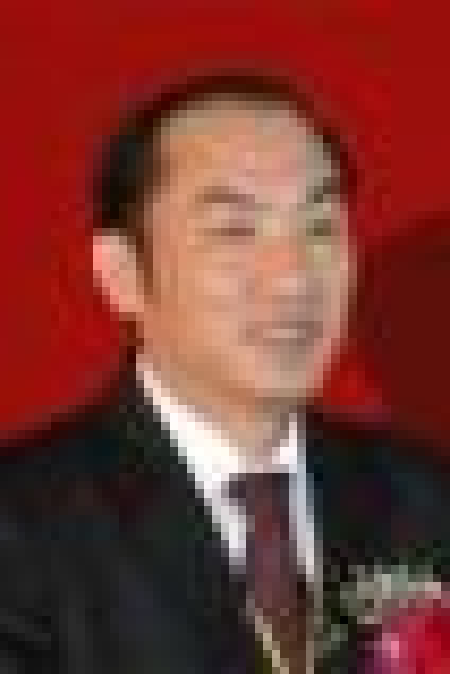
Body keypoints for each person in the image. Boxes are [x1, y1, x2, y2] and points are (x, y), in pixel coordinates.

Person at [0, 68, 448, 674]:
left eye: (320, 227)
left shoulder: (425, 498)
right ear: (122, 274)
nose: (292, 279)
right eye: (235, 232)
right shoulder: (24, 525)